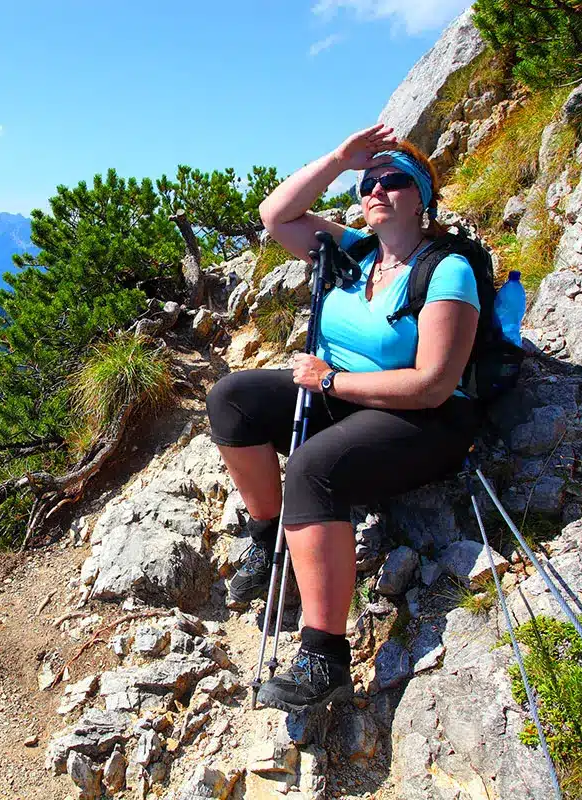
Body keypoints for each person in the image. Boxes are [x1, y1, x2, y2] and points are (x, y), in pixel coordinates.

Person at [206, 124, 482, 712]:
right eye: (368, 183)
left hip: (424, 420)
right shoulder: (353, 251)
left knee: (312, 467)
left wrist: (331, 381)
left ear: (422, 197)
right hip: (348, 399)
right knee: (231, 398)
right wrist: (338, 158)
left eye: (393, 181)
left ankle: (323, 655)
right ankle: (270, 532)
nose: (376, 189)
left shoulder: (445, 269)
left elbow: (433, 384)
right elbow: (275, 214)